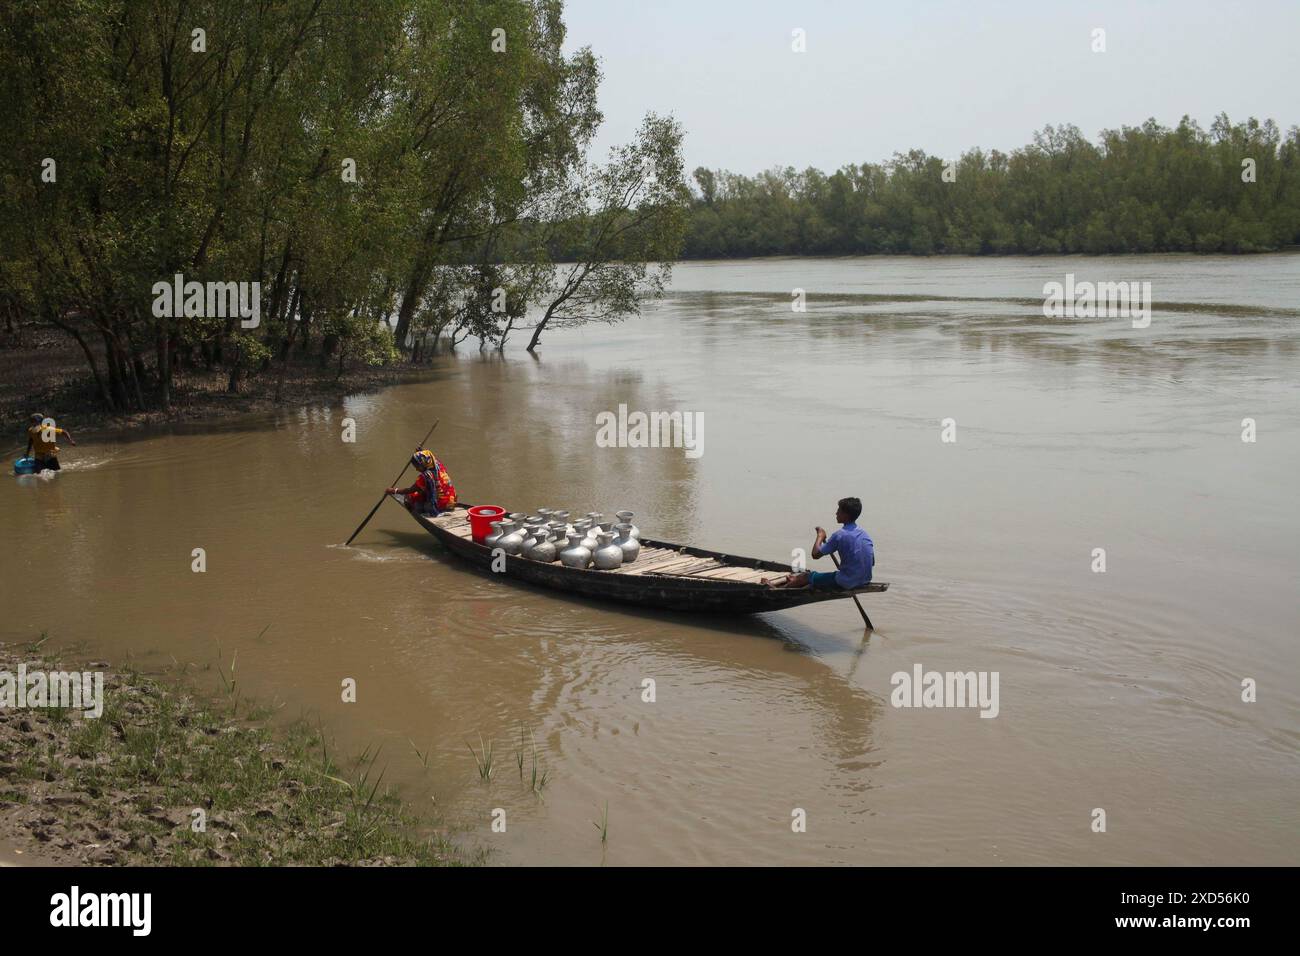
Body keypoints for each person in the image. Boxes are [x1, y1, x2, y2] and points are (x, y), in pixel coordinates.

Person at [765, 496, 874, 590]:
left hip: (847, 581)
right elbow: (871, 561)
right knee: (808, 578)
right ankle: (796, 580)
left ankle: (778, 589)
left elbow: (815, 554)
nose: (836, 513)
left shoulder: (840, 535)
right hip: (865, 579)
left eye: (839, 511)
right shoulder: (865, 534)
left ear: (846, 515)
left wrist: (820, 536)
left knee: (807, 577)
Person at [386, 448, 457, 516]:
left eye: (417, 466)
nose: (416, 469)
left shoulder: (424, 477)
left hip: (440, 507)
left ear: (423, 464)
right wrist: (421, 451)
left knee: (411, 497)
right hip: (452, 502)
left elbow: (410, 490)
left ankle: (430, 510)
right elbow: (432, 458)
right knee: (426, 490)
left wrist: (394, 491)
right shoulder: (440, 466)